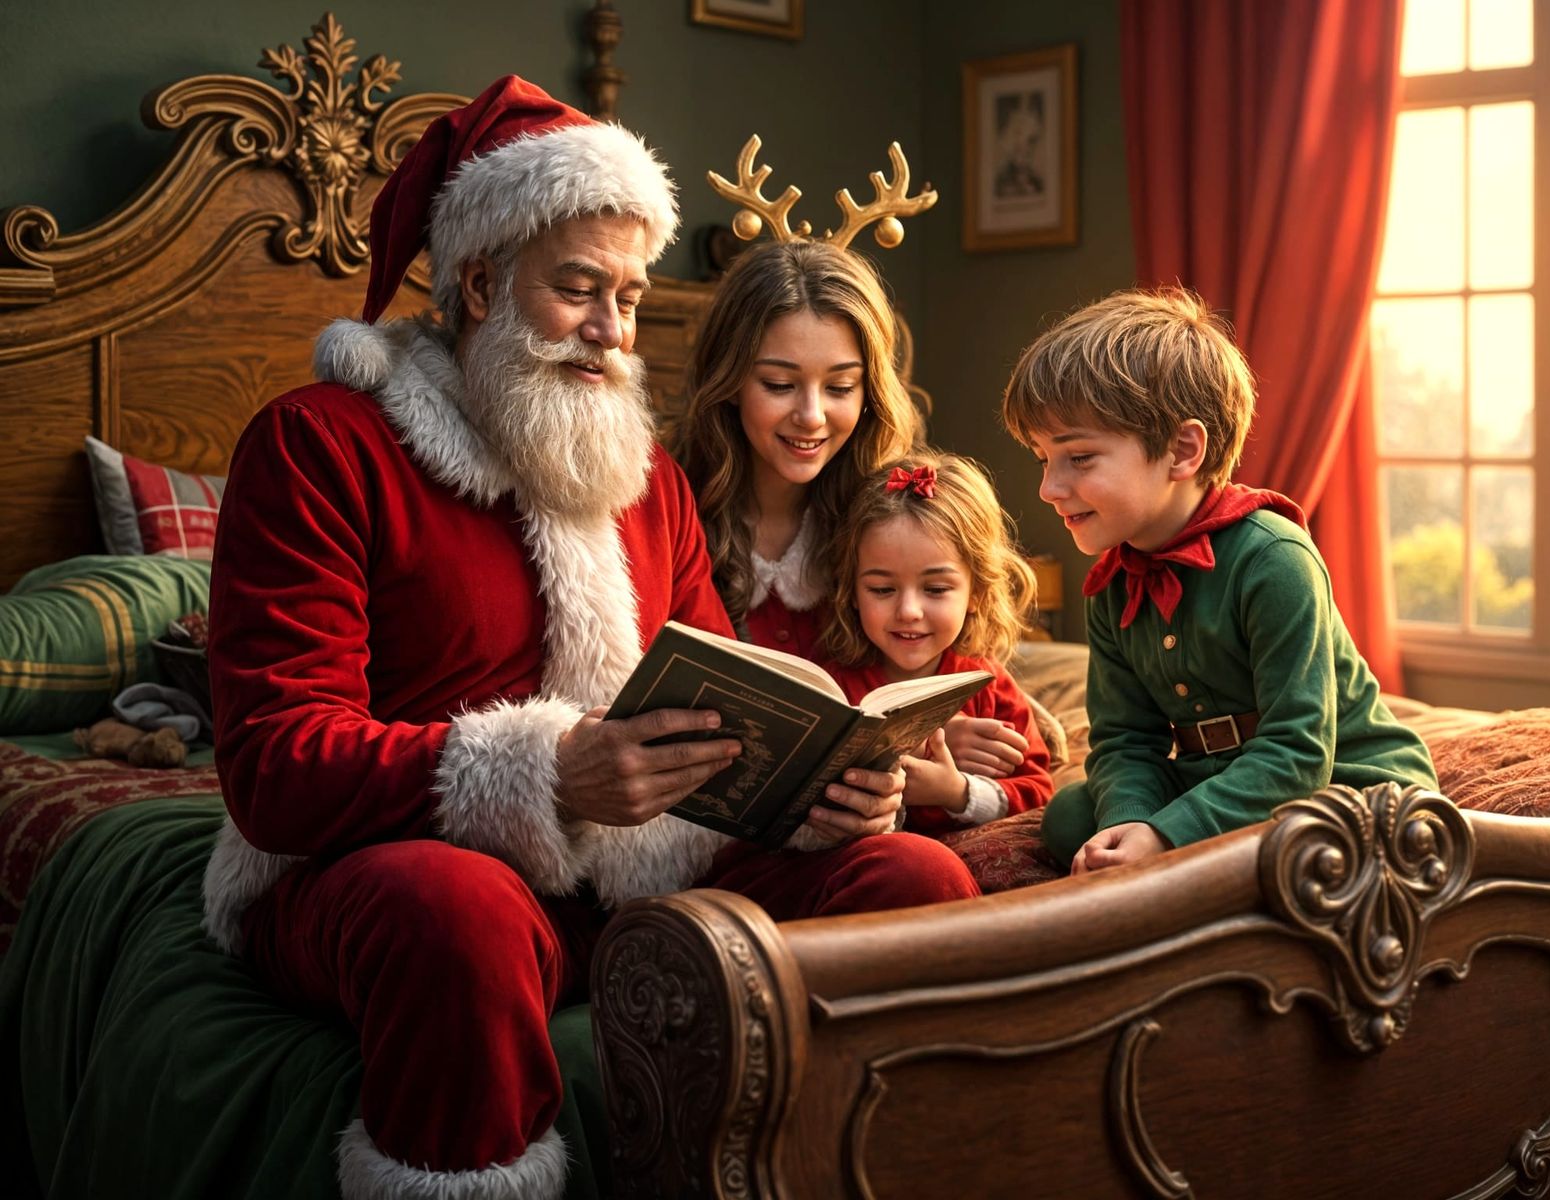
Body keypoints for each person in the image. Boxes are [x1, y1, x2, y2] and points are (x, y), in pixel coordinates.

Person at [199, 77, 979, 1200]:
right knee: (456, 917)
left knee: (911, 871)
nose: (615, 333)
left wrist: (821, 789)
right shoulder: (318, 444)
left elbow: (725, 704)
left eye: (628, 294)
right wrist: (548, 774)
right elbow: (274, 767)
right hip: (387, 871)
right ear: (477, 281)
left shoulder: (644, 474)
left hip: (626, 870)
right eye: (578, 291)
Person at [1000, 287, 1437, 876]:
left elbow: (1298, 750)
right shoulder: (1111, 586)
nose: (1049, 488)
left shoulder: (1274, 559)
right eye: (1041, 459)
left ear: (1183, 450)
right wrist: (1130, 820)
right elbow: (1126, 740)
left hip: (1334, 774)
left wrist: (1169, 833)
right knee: (1071, 818)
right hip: (1215, 771)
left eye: (1078, 458)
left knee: (1329, 836)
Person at [671, 239, 1034, 783]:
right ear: (729, 382)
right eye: (779, 384)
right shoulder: (672, 509)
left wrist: (928, 730)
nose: (812, 416)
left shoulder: (880, 516)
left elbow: (961, 657)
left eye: (840, 386)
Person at [820, 453, 1055, 838]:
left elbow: (1038, 792)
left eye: (935, 589)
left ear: (976, 592)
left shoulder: (989, 687)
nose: (909, 611)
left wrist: (956, 792)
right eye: (882, 589)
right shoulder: (833, 687)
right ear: (852, 592)